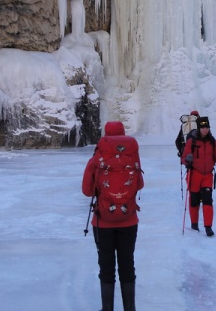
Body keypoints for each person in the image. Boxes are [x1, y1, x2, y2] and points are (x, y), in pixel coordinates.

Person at [82, 121, 144, 311]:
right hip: (129, 220)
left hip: (102, 222)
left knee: (106, 267)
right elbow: (140, 184)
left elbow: (87, 190)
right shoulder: (132, 157)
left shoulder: (97, 158)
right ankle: (129, 308)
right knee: (127, 264)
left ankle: (107, 308)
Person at [181, 116, 216, 237]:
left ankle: (208, 227)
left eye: (207, 127)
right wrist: (187, 159)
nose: (205, 129)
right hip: (195, 174)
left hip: (207, 175)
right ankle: (194, 224)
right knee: (194, 200)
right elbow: (183, 158)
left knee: (207, 200)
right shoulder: (192, 141)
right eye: (203, 127)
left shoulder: (212, 141)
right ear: (199, 128)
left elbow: (215, 157)